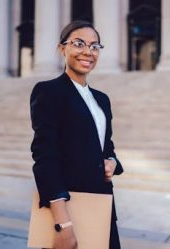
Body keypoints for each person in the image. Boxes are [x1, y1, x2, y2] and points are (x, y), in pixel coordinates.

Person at [30, 20, 123, 249]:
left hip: (101, 206)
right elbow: (45, 158)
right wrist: (63, 224)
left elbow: (106, 146)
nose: (87, 52)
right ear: (62, 48)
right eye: (79, 43)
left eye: (94, 46)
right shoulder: (48, 92)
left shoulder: (102, 99)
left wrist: (112, 162)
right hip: (68, 210)